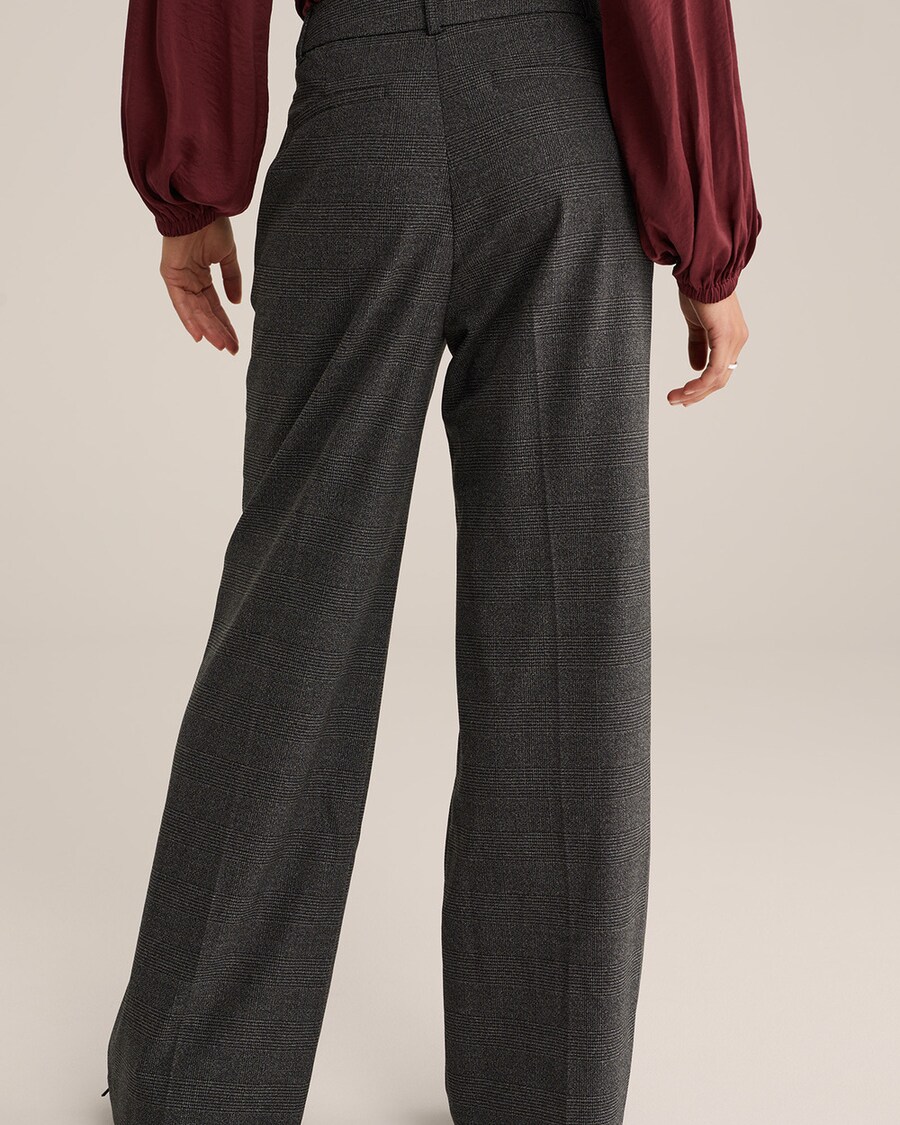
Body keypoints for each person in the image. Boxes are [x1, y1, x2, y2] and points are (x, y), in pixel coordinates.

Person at [105, 0, 761, 1121]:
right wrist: (707, 228)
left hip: (359, 118)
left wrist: (192, 186)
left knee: (294, 611)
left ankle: (196, 1089)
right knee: (568, 629)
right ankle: (546, 1092)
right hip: (559, 120)